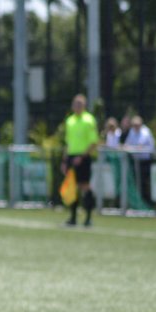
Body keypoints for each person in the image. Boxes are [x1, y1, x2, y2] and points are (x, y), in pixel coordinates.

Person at [60, 94, 98, 227]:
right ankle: (73, 218)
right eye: (75, 104)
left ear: (84, 106)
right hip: (71, 157)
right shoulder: (69, 121)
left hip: (83, 157)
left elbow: (93, 142)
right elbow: (67, 142)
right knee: (72, 187)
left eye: (79, 104)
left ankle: (88, 218)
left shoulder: (89, 120)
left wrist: (81, 157)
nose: (77, 107)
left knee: (85, 186)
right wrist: (64, 160)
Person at [122, 114, 156, 205]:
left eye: (137, 125)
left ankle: (147, 204)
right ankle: (139, 203)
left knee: (145, 183)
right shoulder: (132, 131)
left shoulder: (145, 132)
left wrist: (135, 147)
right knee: (136, 183)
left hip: (145, 162)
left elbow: (143, 145)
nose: (135, 127)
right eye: (134, 125)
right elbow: (127, 144)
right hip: (135, 161)